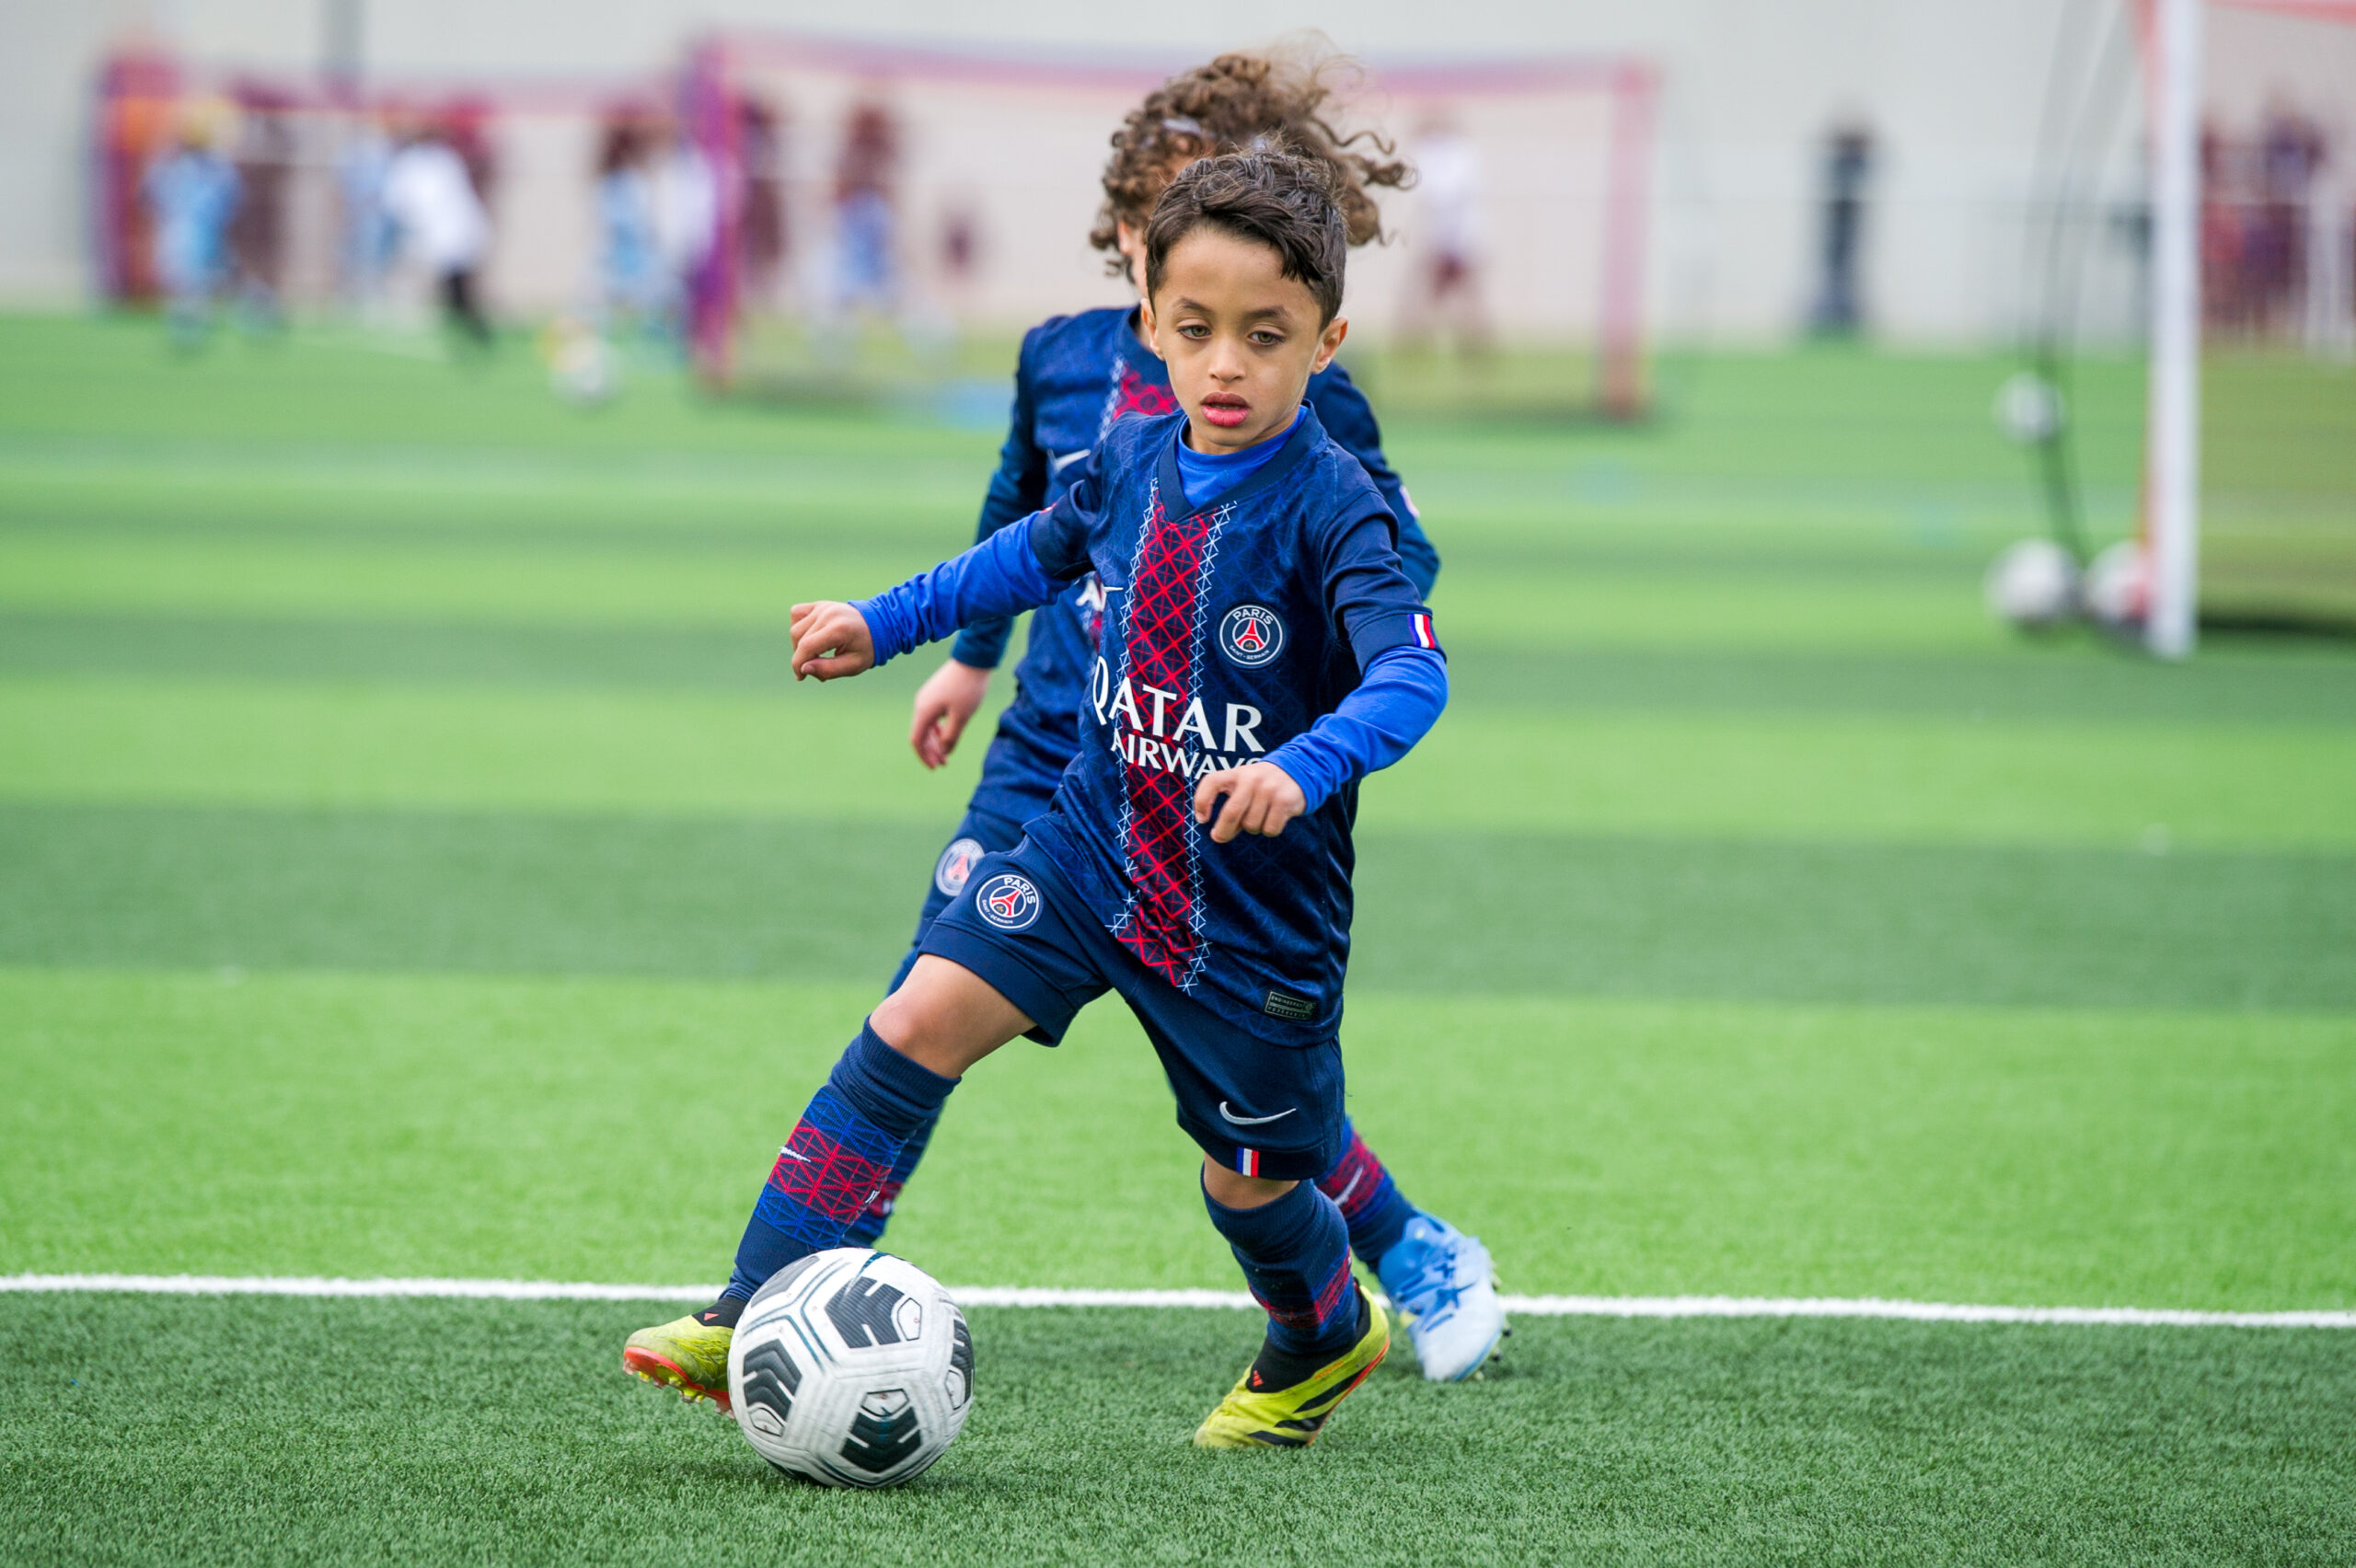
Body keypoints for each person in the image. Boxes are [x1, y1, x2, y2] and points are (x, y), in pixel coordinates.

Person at [629, 147, 1452, 1449]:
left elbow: (1413, 674)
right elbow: (1024, 553)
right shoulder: (1127, 457)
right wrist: (885, 623)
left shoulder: (1336, 508)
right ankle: (753, 1308)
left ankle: (1321, 1334)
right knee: (913, 1021)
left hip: (1249, 917)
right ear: (1151, 321)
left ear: (1327, 342)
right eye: (1196, 328)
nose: (1226, 363)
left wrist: (1300, 766)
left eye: (1265, 335)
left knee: (1247, 1188)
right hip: (1089, 849)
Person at [863, 52, 1496, 1383]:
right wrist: (966, 661)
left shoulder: (1301, 397)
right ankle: (797, 1297)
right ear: (1129, 241)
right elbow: (1019, 515)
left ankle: (1395, 1242)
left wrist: (1315, 699)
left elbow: (1395, 567)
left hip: (1207, 762)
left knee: (1230, 1066)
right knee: (928, 995)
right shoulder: (1060, 358)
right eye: (1158, 214)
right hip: (1054, 738)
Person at [383, 116, 493, 347]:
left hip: (448, 232)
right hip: (442, 232)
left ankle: (468, 329)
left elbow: (404, 202)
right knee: (454, 284)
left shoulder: (430, 162)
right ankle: (465, 327)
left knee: (456, 285)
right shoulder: (434, 161)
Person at [144, 109, 241, 349]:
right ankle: (192, 325)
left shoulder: (176, 162)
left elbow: (151, 192)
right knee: (191, 278)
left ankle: (191, 325)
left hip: (191, 227)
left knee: (193, 278)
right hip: (193, 226)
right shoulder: (210, 164)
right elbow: (230, 196)